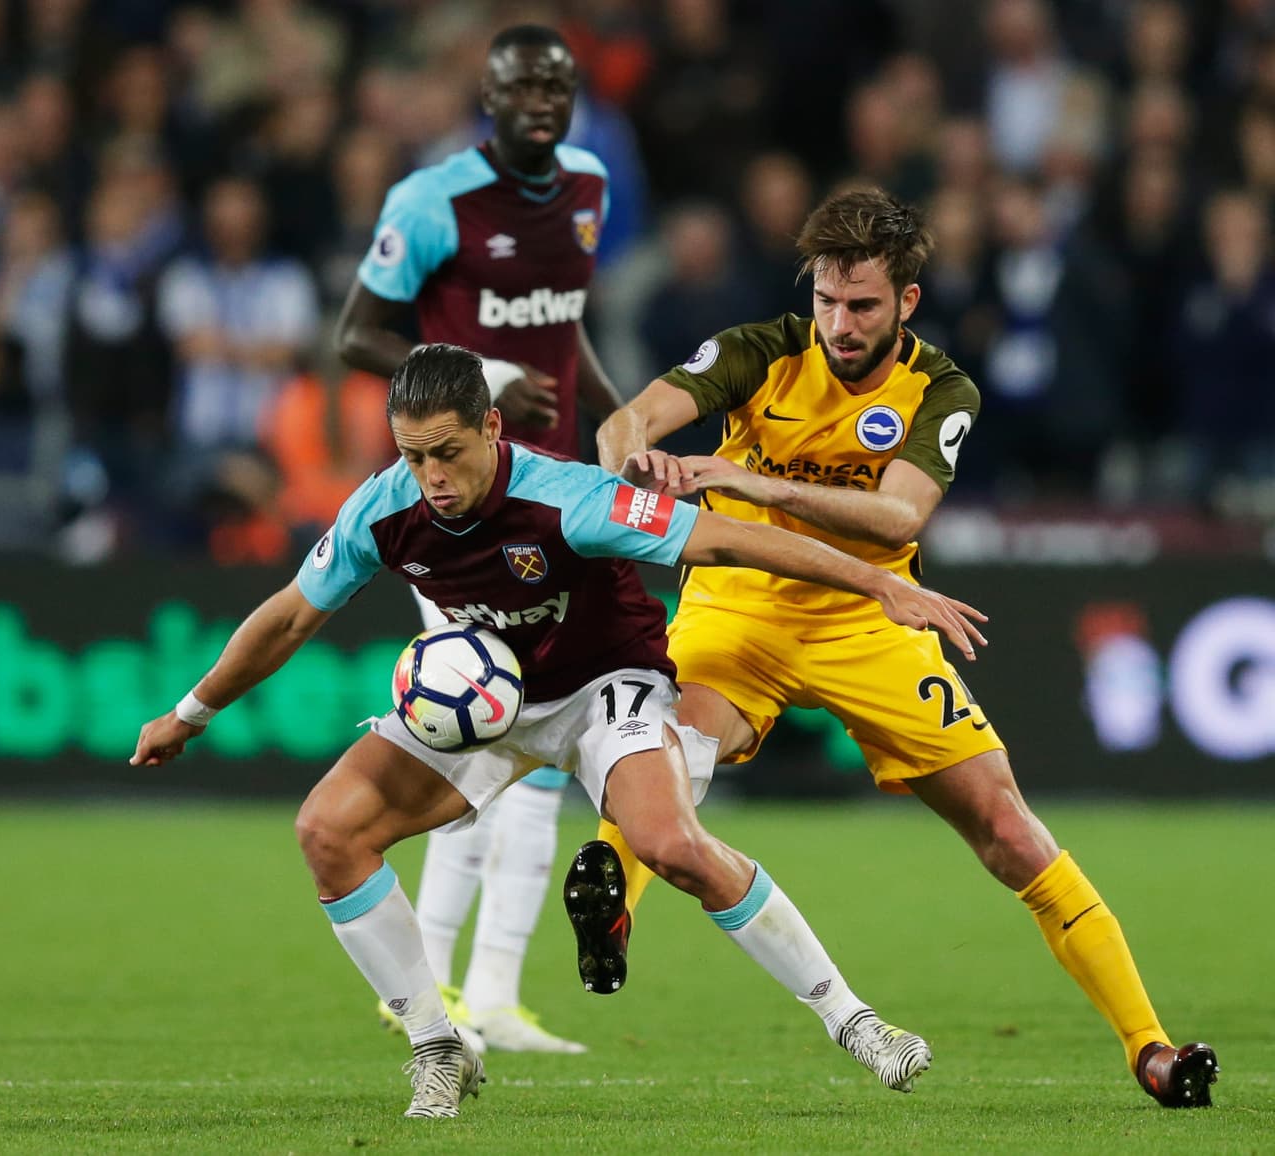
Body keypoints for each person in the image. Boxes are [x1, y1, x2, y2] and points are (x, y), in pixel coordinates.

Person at [129, 342, 991, 1119]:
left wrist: (880, 586)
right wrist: (190, 713)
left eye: (449, 452)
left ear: (492, 428)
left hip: (600, 688)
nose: (431, 475)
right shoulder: (383, 510)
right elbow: (288, 617)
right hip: (483, 698)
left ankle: (855, 1021)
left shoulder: (570, 499)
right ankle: (439, 1047)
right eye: (413, 455)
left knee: (670, 846)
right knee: (327, 831)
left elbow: (730, 543)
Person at [585, 187, 1220, 1110]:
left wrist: (744, 476)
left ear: (907, 303)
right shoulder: (757, 349)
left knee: (1008, 829)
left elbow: (896, 516)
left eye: (864, 307)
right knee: (676, 749)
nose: (840, 324)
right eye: (829, 302)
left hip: (869, 617)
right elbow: (622, 424)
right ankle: (612, 915)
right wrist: (635, 466)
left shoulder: (941, 389)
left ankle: (1150, 1049)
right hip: (741, 603)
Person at [331, 24, 625, 1053]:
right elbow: (357, 334)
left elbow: (564, 318)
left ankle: (492, 992)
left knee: (537, 753)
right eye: (519, 85)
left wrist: (616, 413)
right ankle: (436, 983)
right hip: (462, 501)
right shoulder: (429, 201)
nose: (541, 99)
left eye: (557, 84)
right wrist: (484, 381)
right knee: (483, 732)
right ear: (486, 97)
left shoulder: (587, 186)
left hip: (557, 496)